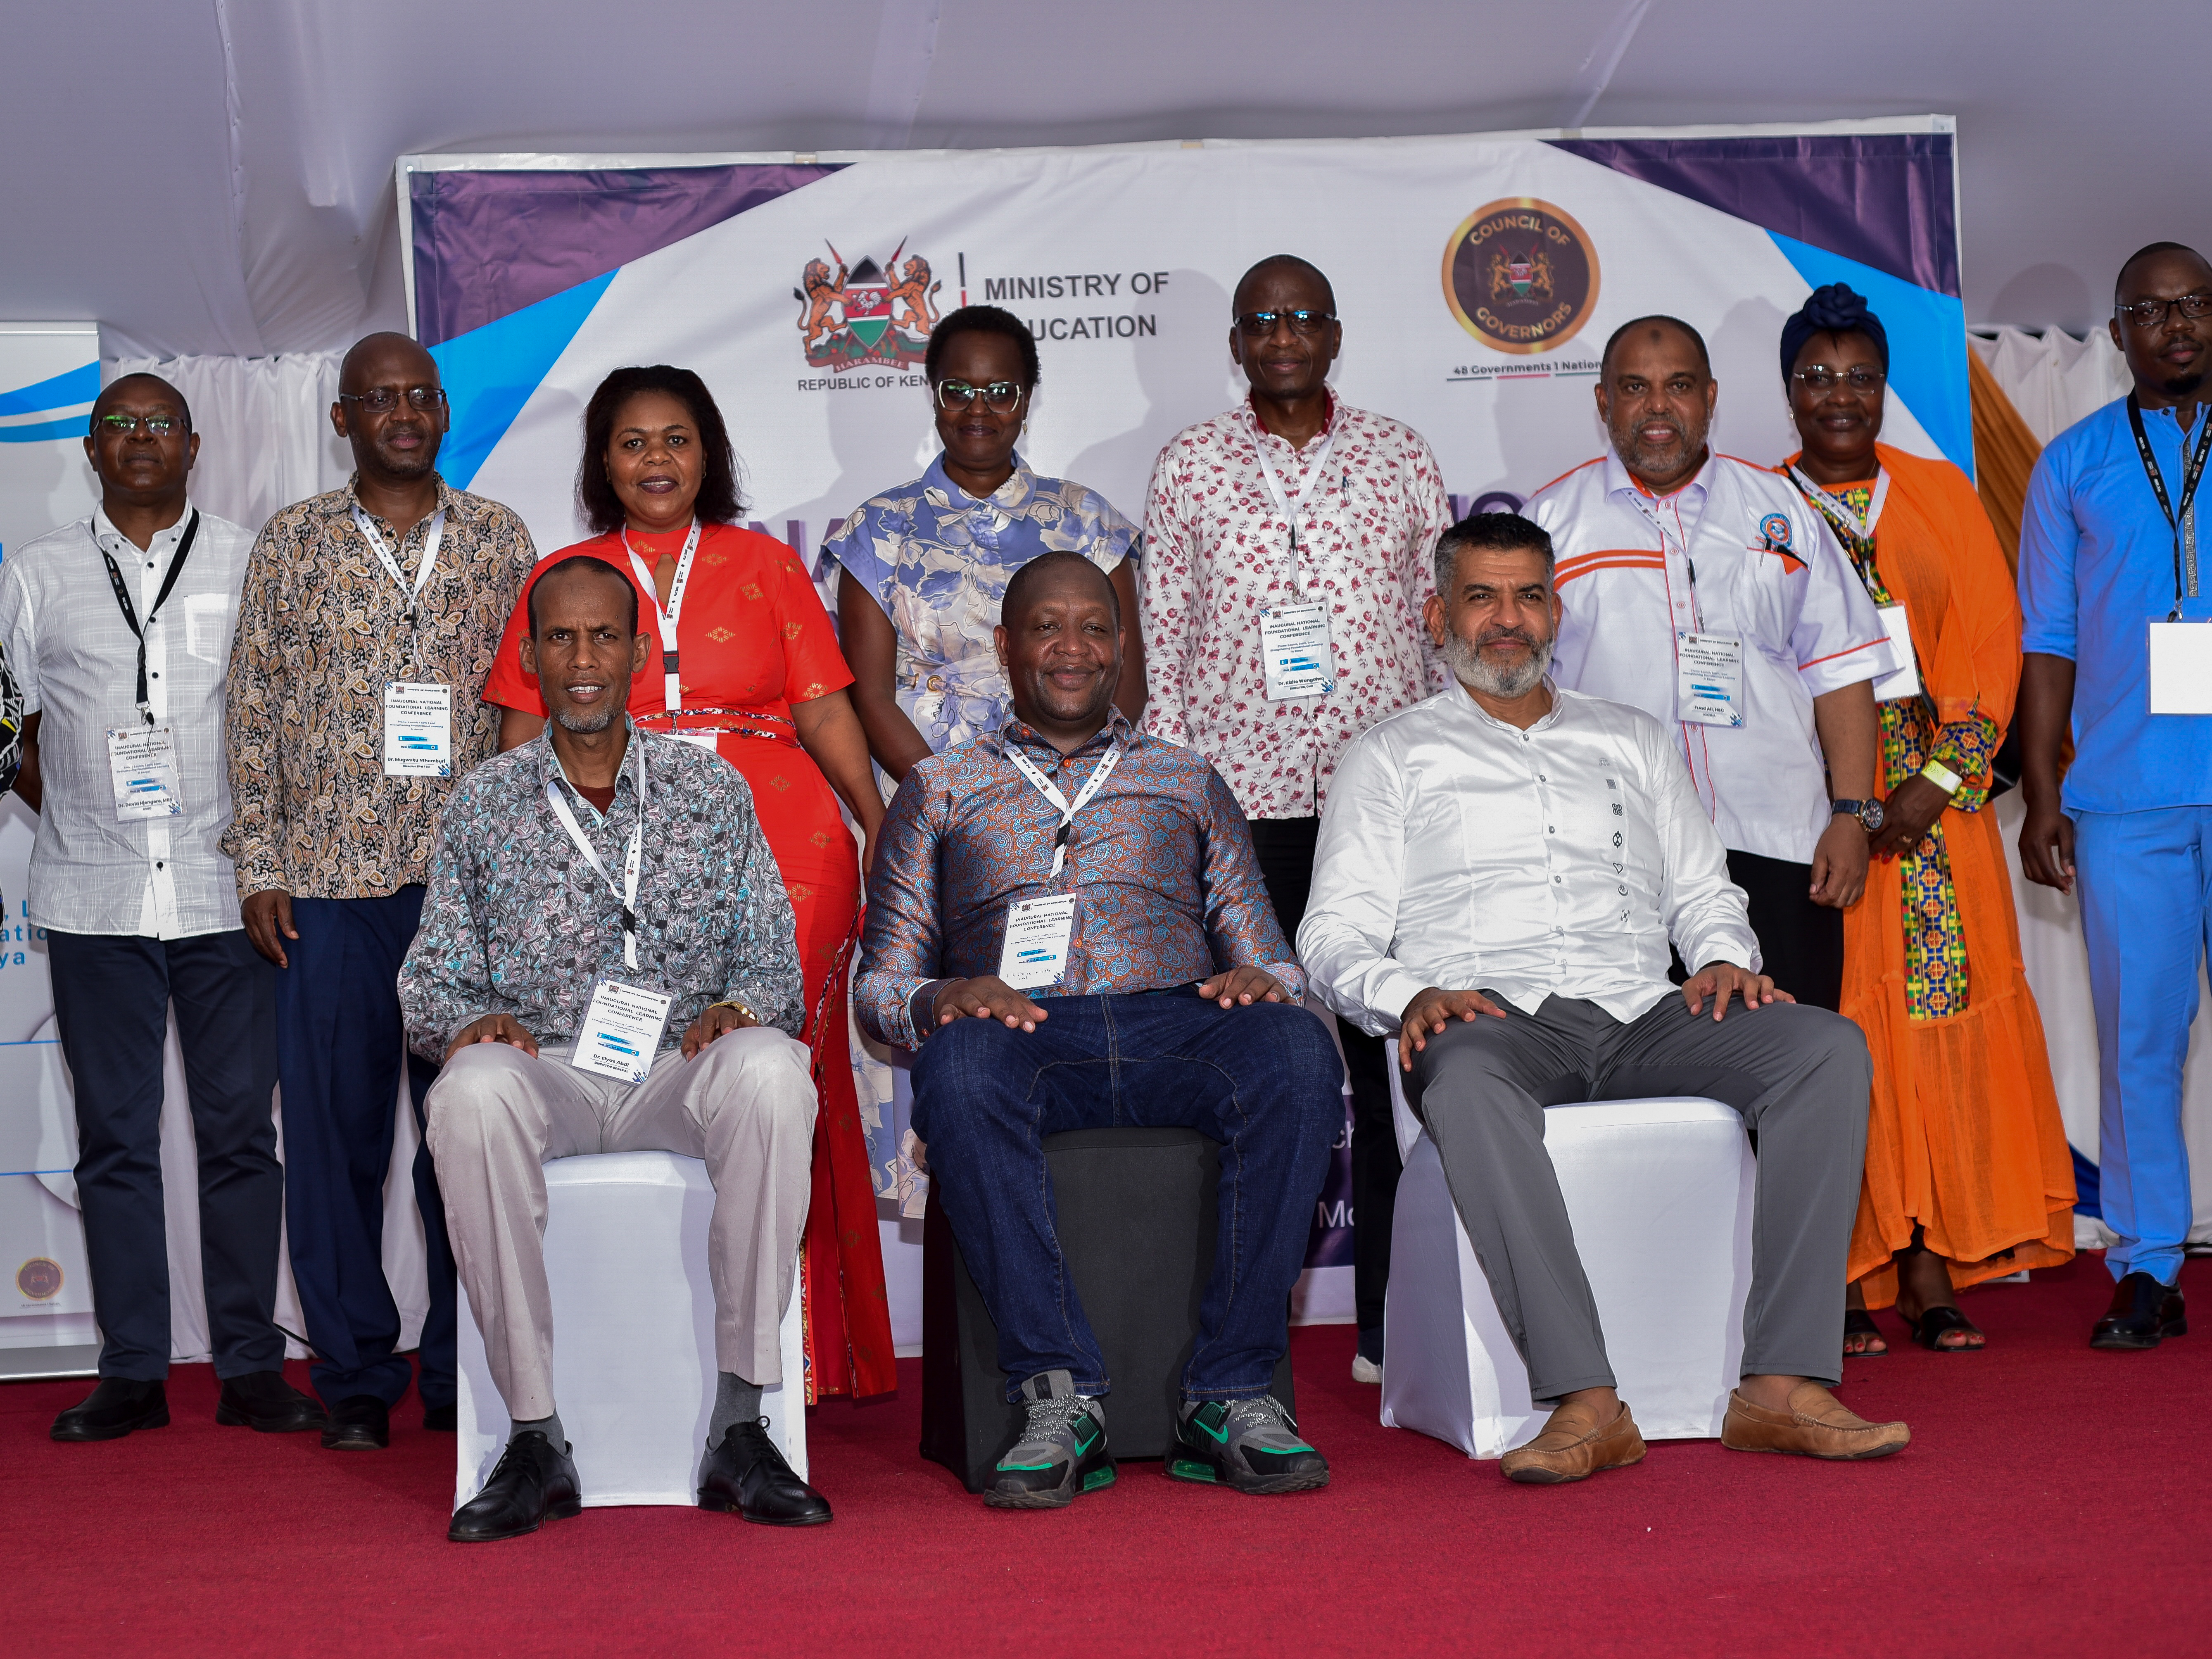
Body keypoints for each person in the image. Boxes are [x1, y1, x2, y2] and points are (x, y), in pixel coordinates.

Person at [1300, 513, 1909, 1484]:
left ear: (1556, 610)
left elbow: (1705, 892)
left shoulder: (1629, 737)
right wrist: (1407, 992)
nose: (1508, 619)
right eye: (1481, 597)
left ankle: (1780, 1384)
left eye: (1529, 596)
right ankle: (1584, 1400)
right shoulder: (1388, 755)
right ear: (1436, 615)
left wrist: (1719, 954)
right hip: (1490, 1021)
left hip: (1641, 1011)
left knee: (1823, 1048)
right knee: (1457, 1085)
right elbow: (1330, 934)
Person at [854, 550, 1341, 1508]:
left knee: (1294, 1048)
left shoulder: (1188, 781)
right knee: (958, 1066)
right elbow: (880, 988)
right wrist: (941, 997)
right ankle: (1057, 1392)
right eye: (1047, 627)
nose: (1072, 648)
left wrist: (1259, 978)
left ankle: (1232, 1391)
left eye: (1094, 628)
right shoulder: (940, 788)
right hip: (1025, 1034)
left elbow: (1276, 960)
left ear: (1123, 649)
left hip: (1178, 1025)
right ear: (1004, 646)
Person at [484, 364, 892, 1401]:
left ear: (707, 453)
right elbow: (521, 733)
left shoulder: (764, 564)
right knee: (629, 1062)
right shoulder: (565, 574)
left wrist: (880, 819)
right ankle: (638, 1349)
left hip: (784, 841)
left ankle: (793, 1361)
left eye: (676, 439)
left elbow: (827, 711)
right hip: (610, 834)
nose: (655, 460)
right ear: (600, 461)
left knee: (770, 1068)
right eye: (632, 441)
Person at [403, 554, 828, 1541]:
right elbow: (429, 982)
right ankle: (535, 1436)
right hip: (543, 1067)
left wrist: (742, 1005)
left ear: (640, 654)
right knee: (468, 1094)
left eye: (604, 637)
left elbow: (772, 959)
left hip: (677, 1068)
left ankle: (739, 1425)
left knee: (771, 1069)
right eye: (561, 638)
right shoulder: (483, 801)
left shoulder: (707, 789)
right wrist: (468, 1024)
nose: (583, 658)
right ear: (532, 656)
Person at [1140, 253, 1450, 1383]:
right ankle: (1229, 1338)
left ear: (1332, 333)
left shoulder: (1399, 453)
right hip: (1237, 806)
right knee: (1246, 1065)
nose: (1280, 334)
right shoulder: (1188, 465)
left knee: (1390, 1061)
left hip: (1380, 803)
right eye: (1259, 319)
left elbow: (1436, 624)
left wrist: (1437, 779)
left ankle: (1386, 1326)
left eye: (1301, 316)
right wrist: (1179, 802)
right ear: (1234, 342)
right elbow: (1163, 640)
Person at [224, 332, 537, 1449]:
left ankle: (462, 1372)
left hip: (470, 893)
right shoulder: (295, 542)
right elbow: (253, 705)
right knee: (334, 1143)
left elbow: (527, 710)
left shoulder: (502, 538)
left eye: (420, 397)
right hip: (329, 885)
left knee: (467, 1136)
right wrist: (259, 862)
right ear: (342, 418)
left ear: (444, 413)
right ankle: (355, 1379)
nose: (402, 414)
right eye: (378, 399)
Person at [0, 377, 319, 1441]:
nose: (141, 441)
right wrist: (75, 812)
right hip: (93, 902)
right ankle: (132, 1369)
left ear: (193, 444)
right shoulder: (39, 571)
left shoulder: (249, 558)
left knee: (239, 1138)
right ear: (91, 447)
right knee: (113, 1143)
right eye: (120, 427)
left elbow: (287, 723)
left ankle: (248, 1366)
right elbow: (8, 724)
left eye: (160, 426)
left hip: (229, 896)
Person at [1777, 285, 2076, 1357]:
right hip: (1817, 814)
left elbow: (1994, 639)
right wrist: (1849, 799)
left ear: (1883, 388)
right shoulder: (1757, 511)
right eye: (1816, 377)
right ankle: (1843, 1273)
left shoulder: (1942, 493)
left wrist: (1938, 782)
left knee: (1937, 1020)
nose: (1840, 396)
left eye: (1859, 376)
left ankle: (1925, 1263)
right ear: (1786, 392)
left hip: (1937, 816)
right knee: (1841, 1031)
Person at [825, 305, 1140, 1210]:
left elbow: (1126, 685)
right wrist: (953, 806)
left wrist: (1049, 802)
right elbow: (868, 694)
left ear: (1026, 398)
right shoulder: (874, 531)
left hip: (1078, 814)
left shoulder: (1089, 522)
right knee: (954, 1038)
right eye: (956, 388)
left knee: (1071, 1026)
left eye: (998, 389)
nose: (976, 407)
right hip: (932, 815)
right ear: (932, 395)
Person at [1526, 314, 1894, 1015]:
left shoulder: (1781, 510)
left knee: (1792, 1074)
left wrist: (1851, 813)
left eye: (1680, 386)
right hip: (1618, 861)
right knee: (1645, 1092)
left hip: (1779, 845)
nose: (1658, 406)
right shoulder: (1550, 525)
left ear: (1712, 397)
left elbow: (1839, 668)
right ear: (1603, 402)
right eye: (1634, 387)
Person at [2019, 241, 2212, 1350]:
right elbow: (2045, 641)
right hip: (2123, 799)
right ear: (2118, 334)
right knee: (2138, 1041)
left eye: (2193, 305)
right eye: (2150, 310)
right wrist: (2042, 790)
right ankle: (2144, 1267)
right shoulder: (2072, 464)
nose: (2175, 326)